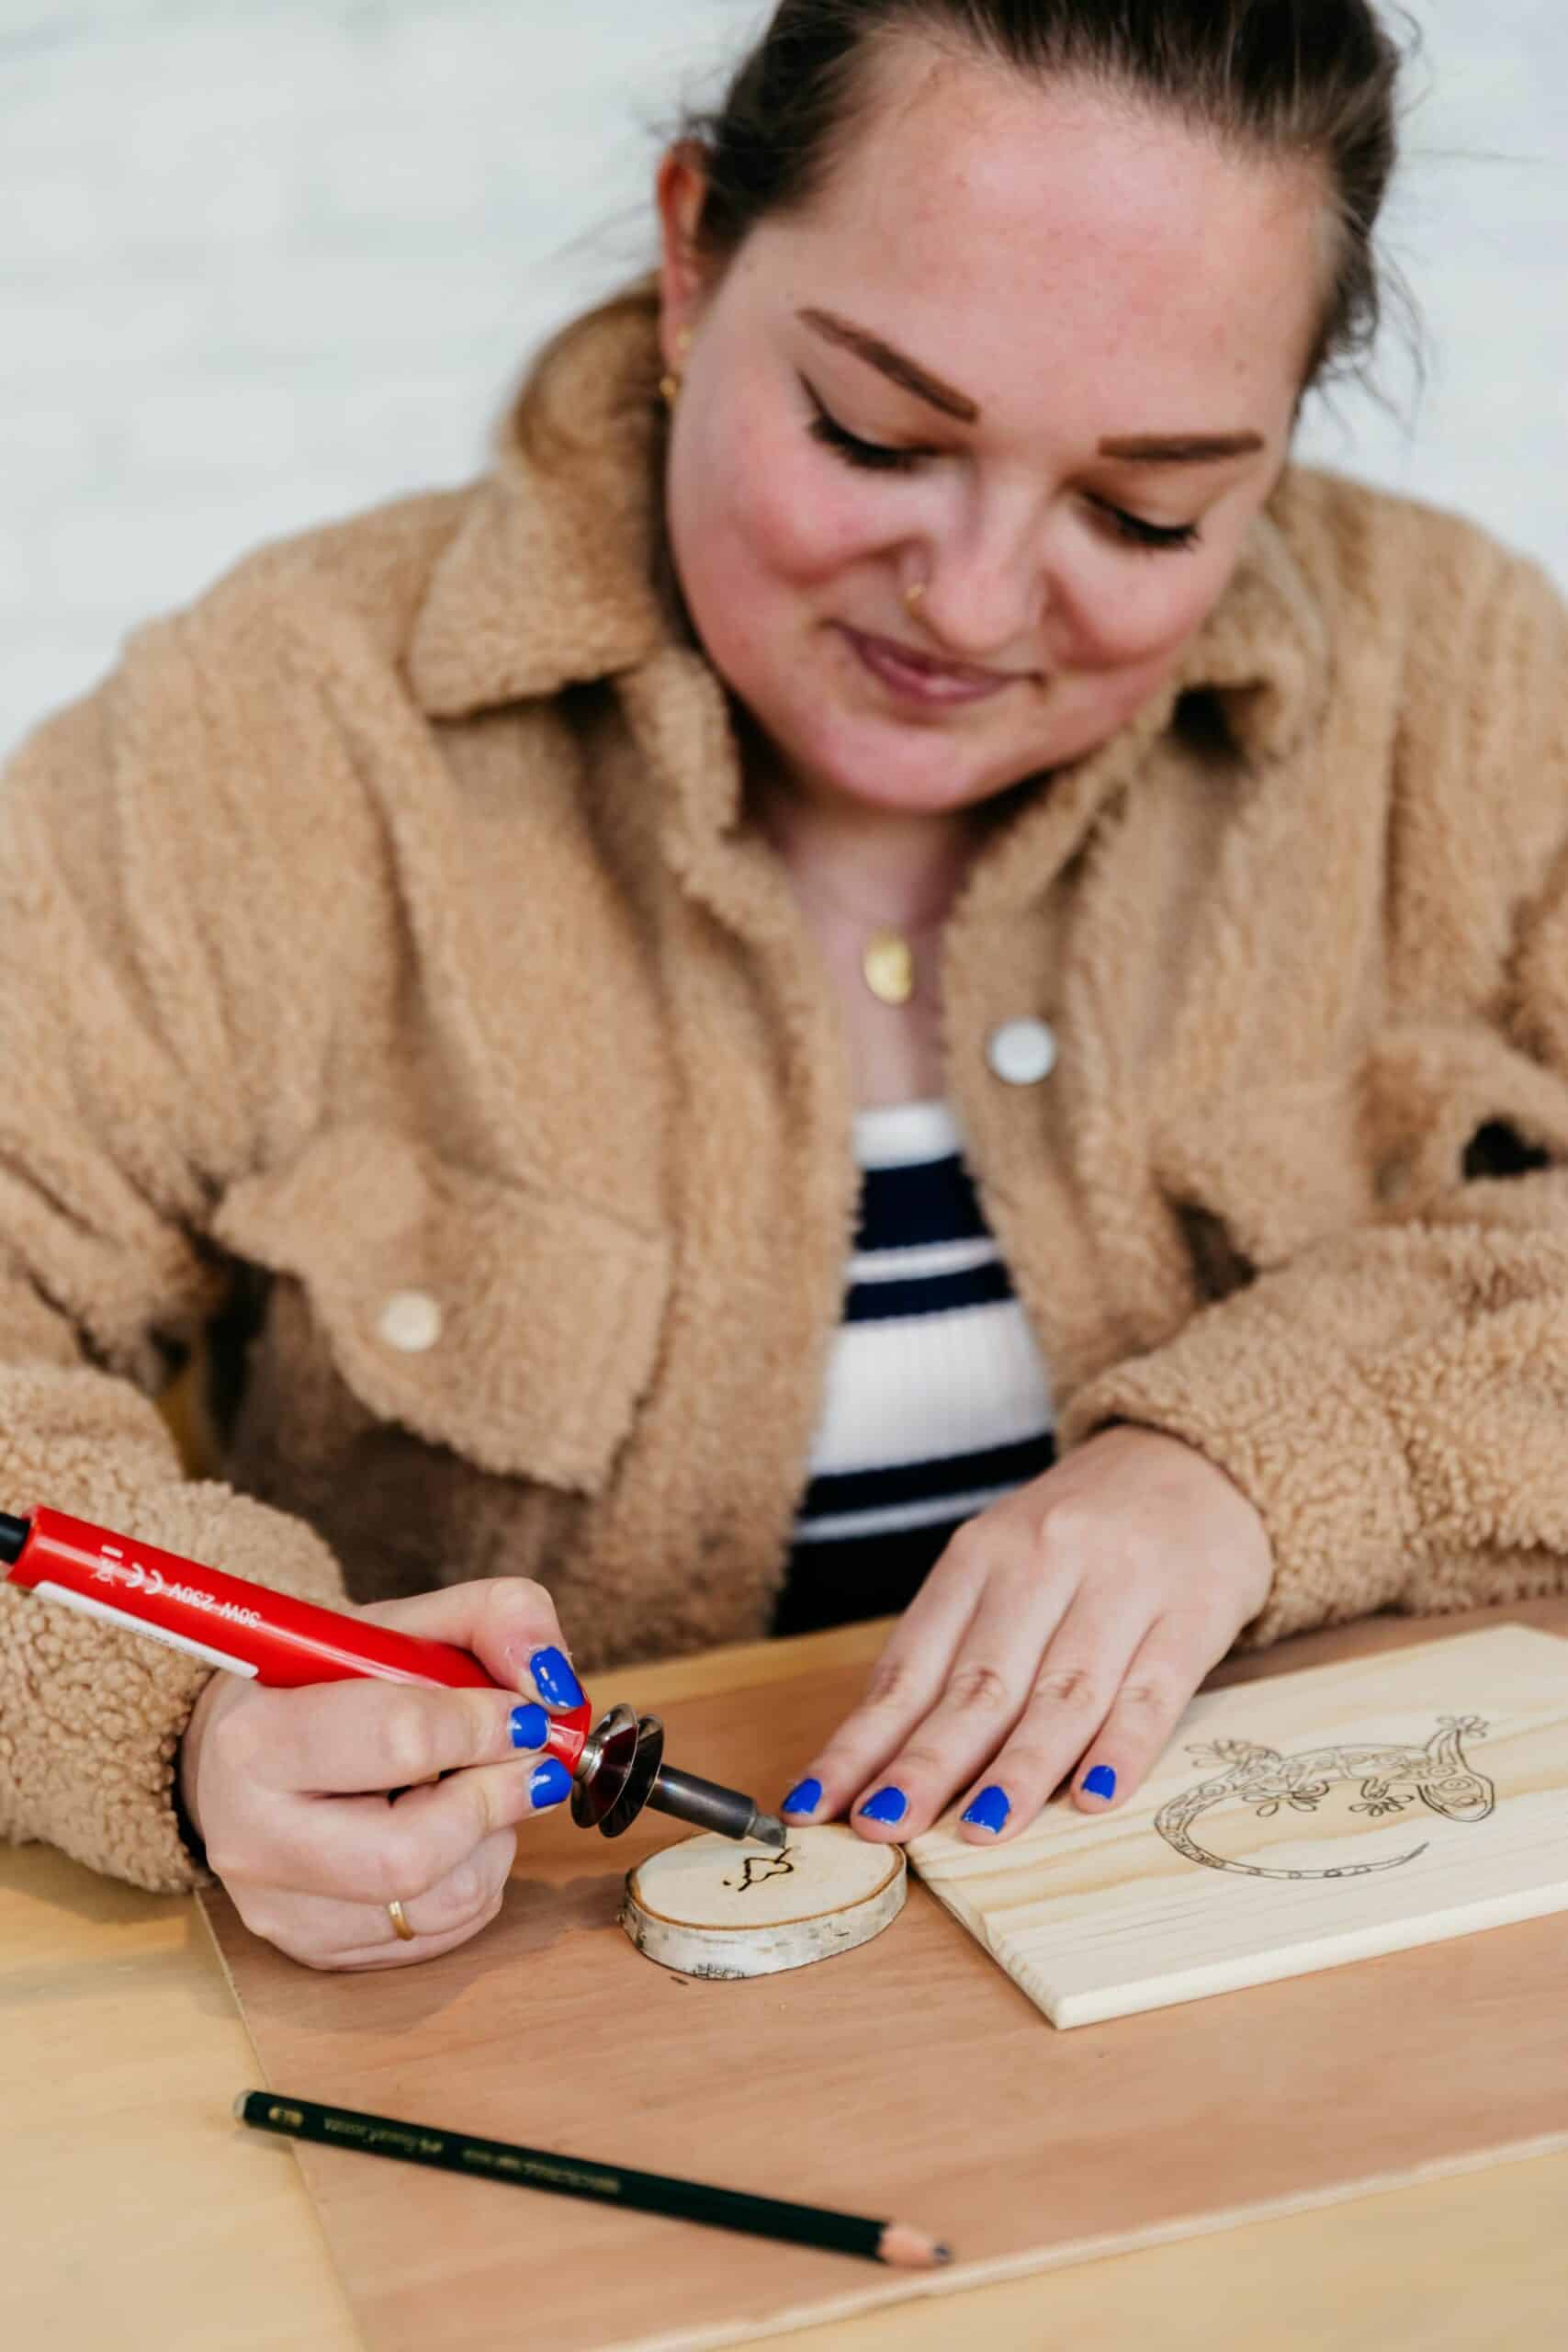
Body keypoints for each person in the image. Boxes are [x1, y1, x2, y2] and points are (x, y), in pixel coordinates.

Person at [3, 0, 1566, 1972]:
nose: (973, 602)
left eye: (1144, 510)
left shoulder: (1460, 686)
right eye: (874, 434)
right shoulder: (260, 741)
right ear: (691, 258)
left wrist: (1258, 1461)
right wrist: (193, 1712)